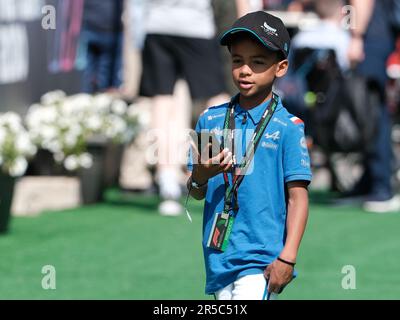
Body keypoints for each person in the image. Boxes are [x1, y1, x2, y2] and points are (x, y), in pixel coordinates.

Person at [187, 11, 312, 300]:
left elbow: (298, 198)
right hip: (218, 257)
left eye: (257, 62)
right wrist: (200, 176)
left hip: (262, 260)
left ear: (280, 68)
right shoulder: (209, 119)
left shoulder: (288, 128)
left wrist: (288, 257)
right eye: (237, 60)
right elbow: (194, 191)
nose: (245, 70)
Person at [139, 0, 229, 216]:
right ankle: (227, 173)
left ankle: (167, 181)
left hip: (158, 23)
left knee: (163, 101)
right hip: (194, 24)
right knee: (216, 99)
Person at [346, 0, 399, 212]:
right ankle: (369, 181)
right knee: (369, 112)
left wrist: (355, 37)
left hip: (371, 40)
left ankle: (381, 186)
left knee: (373, 113)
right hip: (376, 38)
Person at [81, 0, 124, 93]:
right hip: (107, 29)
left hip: (93, 26)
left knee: (92, 71)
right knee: (104, 73)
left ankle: (91, 95)